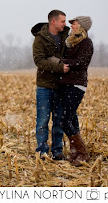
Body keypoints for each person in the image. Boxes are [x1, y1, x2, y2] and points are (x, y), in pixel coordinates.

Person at [31, 10, 70, 160]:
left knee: (58, 121)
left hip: (61, 86)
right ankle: (42, 151)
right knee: (42, 121)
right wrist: (58, 66)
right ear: (53, 22)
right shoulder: (40, 39)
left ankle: (57, 151)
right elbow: (39, 61)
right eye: (62, 21)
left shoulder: (66, 37)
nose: (64, 24)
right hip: (44, 86)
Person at [58, 16, 94, 166]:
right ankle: (75, 152)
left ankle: (82, 152)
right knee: (72, 118)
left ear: (82, 27)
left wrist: (63, 62)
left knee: (64, 120)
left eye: (74, 23)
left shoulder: (86, 43)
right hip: (66, 84)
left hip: (77, 85)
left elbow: (82, 62)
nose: (71, 25)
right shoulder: (70, 42)